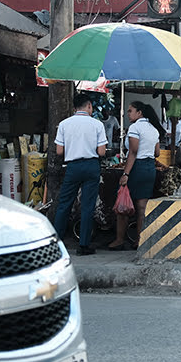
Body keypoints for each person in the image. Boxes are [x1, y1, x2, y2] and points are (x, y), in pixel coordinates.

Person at [54, 93, 107, 256]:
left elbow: (59, 151)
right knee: (87, 205)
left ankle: (56, 244)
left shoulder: (64, 124)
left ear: (74, 107)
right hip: (91, 166)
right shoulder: (97, 125)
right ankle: (83, 245)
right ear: (89, 106)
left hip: (72, 166)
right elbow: (102, 152)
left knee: (64, 204)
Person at [109, 101, 164, 251]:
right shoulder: (154, 129)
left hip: (137, 168)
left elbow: (133, 152)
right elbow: (157, 153)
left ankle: (120, 239)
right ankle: (139, 240)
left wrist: (125, 173)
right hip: (150, 168)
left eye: (130, 111)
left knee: (123, 204)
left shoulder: (135, 128)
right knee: (141, 207)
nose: (128, 114)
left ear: (139, 113)